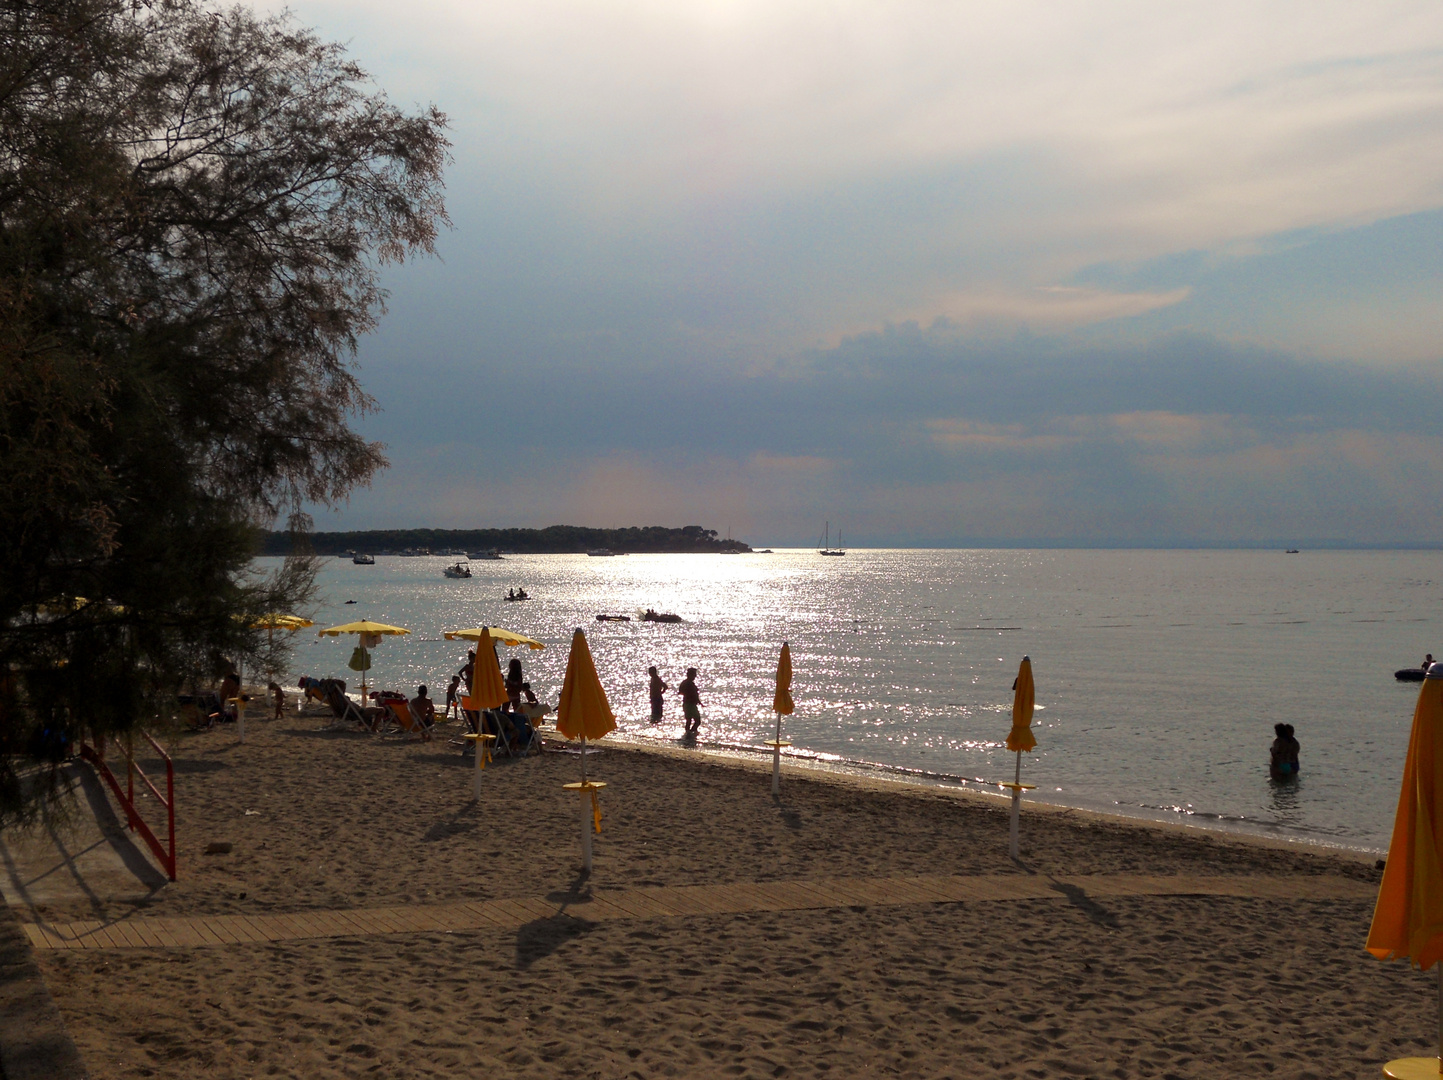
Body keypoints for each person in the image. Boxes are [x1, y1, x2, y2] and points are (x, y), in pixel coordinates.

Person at [679, 667, 702, 734]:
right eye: (694, 674)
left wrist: (698, 701)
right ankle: (691, 733)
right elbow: (693, 694)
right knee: (697, 720)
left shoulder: (685, 683)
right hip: (690, 704)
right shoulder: (689, 684)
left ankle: (688, 734)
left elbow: (680, 691)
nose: (695, 676)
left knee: (689, 720)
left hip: (687, 704)